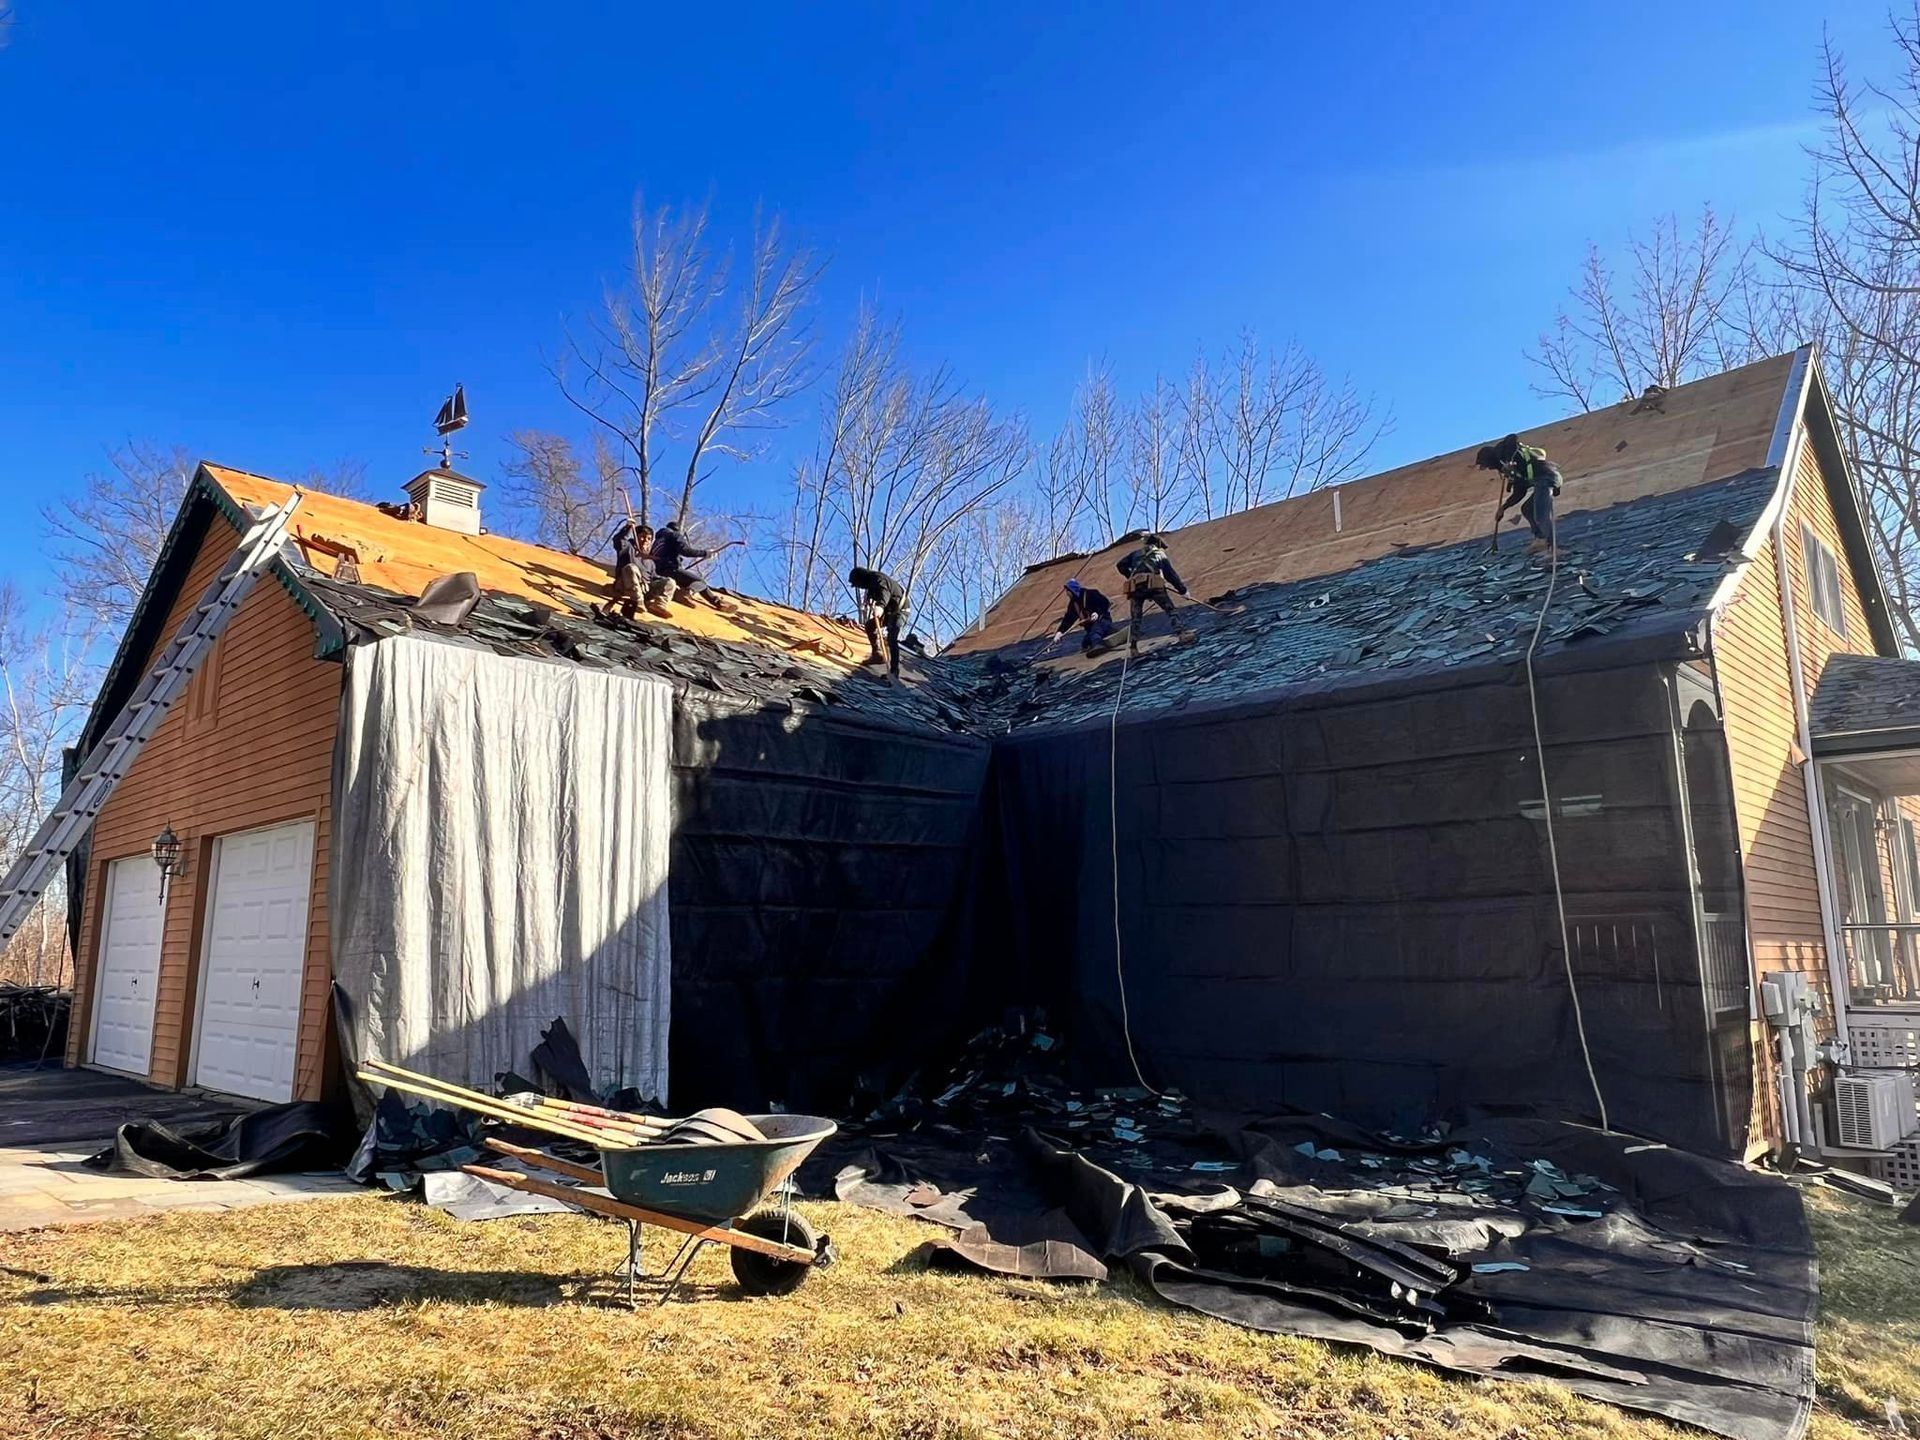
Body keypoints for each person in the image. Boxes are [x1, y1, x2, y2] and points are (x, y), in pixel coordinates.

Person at [1477, 434, 1563, 554]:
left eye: (1487, 465)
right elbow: (1519, 492)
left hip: (1547, 478)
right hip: (1541, 481)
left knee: (1541, 515)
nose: (1490, 468)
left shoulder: (1503, 452)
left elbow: (1512, 438)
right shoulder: (1514, 470)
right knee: (1527, 509)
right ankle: (1541, 539)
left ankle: (1554, 549)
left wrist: (1508, 461)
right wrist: (1503, 508)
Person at [1114, 533, 1192, 654]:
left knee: (1136, 618)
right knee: (1170, 610)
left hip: (1136, 589)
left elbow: (1120, 565)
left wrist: (1131, 577)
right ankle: (1181, 634)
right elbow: (1170, 574)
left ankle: (1133, 648)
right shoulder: (1160, 554)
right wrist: (1183, 591)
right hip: (1154, 587)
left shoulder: (1135, 554)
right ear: (1158, 545)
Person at [648, 520, 736, 611]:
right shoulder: (674, 535)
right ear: (677, 530)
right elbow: (686, 551)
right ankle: (686, 594)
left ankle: (717, 602)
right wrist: (704, 553)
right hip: (671, 569)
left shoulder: (657, 541)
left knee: (694, 582)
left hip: (658, 572)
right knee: (700, 582)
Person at [848, 565, 907, 676]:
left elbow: (884, 592)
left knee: (892, 637)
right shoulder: (871, 583)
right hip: (889, 611)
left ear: (861, 578)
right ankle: (877, 655)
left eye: (857, 584)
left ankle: (894, 671)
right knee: (870, 626)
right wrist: (869, 598)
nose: (859, 587)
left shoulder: (878, 578)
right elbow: (874, 592)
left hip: (900, 609)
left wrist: (880, 606)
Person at [596, 517, 654, 621]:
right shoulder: (627, 547)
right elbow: (618, 540)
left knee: (669, 582)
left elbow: (655, 578)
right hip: (623, 584)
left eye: (649, 538)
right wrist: (627, 527)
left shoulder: (650, 561)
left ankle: (657, 605)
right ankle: (637, 601)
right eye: (642, 537)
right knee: (631, 568)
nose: (646, 540)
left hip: (644, 589)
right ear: (636, 537)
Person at [1048, 578, 1117, 655]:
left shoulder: (1091, 594)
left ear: (1072, 590)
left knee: (1095, 634)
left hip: (1102, 620)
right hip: (1091, 627)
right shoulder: (1074, 604)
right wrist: (1060, 632)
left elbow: (1105, 602)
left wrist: (1097, 613)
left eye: (1068, 591)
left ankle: (1099, 646)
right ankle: (1109, 632)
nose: (1067, 593)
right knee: (1086, 643)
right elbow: (1068, 619)